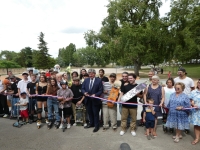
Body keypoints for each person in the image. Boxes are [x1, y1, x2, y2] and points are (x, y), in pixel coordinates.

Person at [189, 80, 200, 145]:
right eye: (199, 82)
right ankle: (197, 138)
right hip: (196, 112)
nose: (199, 84)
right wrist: (192, 103)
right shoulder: (193, 92)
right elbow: (190, 99)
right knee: (196, 125)